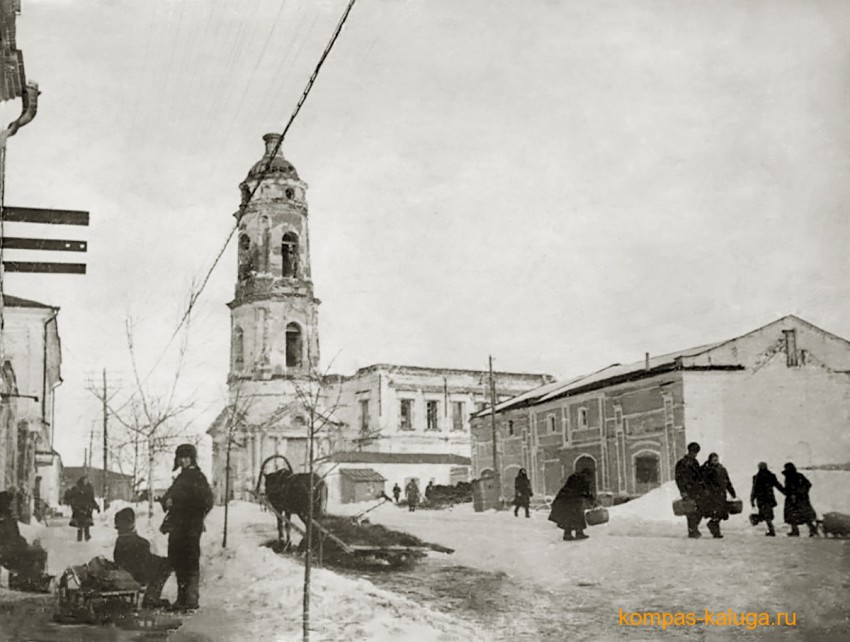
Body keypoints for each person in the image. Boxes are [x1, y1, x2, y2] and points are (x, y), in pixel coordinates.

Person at [160, 443, 214, 612]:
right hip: (177, 526)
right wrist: (167, 501)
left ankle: (191, 599)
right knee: (178, 560)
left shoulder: (198, 477)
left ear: (192, 458)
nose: (182, 461)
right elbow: (168, 495)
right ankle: (181, 599)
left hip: (190, 527)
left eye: (186, 457)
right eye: (180, 457)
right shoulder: (181, 477)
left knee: (190, 560)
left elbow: (207, 501)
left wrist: (194, 514)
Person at [113, 508, 173, 609]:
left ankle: (151, 598)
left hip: (131, 571)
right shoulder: (141, 543)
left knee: (163, 565)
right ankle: (151, 598)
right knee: (166, 566)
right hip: (137, 574)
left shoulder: (121, 541)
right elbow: (144, 561)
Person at [0, 490, 48, 590]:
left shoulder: (7, 518)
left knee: (36, 550)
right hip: (8, 552)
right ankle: (32, 580)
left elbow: (14, 537)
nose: (14, 506)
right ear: (6, 504)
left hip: (9, 550)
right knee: (39, 552)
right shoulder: (6, 519)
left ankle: (27, 579)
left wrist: (25, 543)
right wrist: (25, 544)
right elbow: (11, 539)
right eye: (12, 503)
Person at [548, 469, 595, 540]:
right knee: (577, 516)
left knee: (568, 517)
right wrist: (592, 500)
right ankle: (578, 533)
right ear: (587, 475)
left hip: (565, 499)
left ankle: (568, 534)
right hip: (571, 500)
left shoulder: (574, 477)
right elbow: (585, 492)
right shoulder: (583, 480)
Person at [700, 453, 736, 539]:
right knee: (716, 512)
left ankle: (714, 528)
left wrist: (732, 492)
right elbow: (704, 482)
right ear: (710, 460)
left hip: (721, 494)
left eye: (717, 460)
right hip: (712, 495)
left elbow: (727, 482)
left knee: (722, 513)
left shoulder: (722, 469)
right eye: (714, 460)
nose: (716, 462)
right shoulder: (706, 470)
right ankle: (716, 531)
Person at [675, 442, 704, 538]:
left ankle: (693, 528)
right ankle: (692, 531)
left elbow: (699, 476)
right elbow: (679, 479)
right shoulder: (681, 463)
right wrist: (683, 491)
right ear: (690, 451)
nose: (695, 454)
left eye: (696, 452)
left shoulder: (695, 462)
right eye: (694, 452)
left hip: (696, 490)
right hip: (687, 490)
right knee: (690, 511)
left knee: (699, 510)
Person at [781, 462, 818, 537]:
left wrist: (794, 493)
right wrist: (803, 492)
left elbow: (789, 489)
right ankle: (812, 529)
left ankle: (795, 531)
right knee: (804, 515)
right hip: (802, 499)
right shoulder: (799, 475)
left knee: (792, 515)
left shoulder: (789, 477)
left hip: (793, 499)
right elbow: (808, 484)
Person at [750, 462, 784, 537]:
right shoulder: (771, 476)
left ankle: (771, 530)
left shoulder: (757, 477)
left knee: (765, 515)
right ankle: (770, 529)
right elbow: (778, 485)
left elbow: (754, 489)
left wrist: (752, 499)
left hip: (761, 499)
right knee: (767, 514)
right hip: (769, 498)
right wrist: (785, 492)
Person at [64, 476, 99, 542]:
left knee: (87, 523)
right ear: (82, 480)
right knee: (80, 523)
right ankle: (80, 538)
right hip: (78, 508)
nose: (86, 482)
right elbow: (71, 497)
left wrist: (96, 506)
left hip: (87, 508)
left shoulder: (89, 489)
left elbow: (91, 499)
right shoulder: (76, 488)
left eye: (87, 480)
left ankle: (87, 536)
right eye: (85, 480)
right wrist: (72, 503)